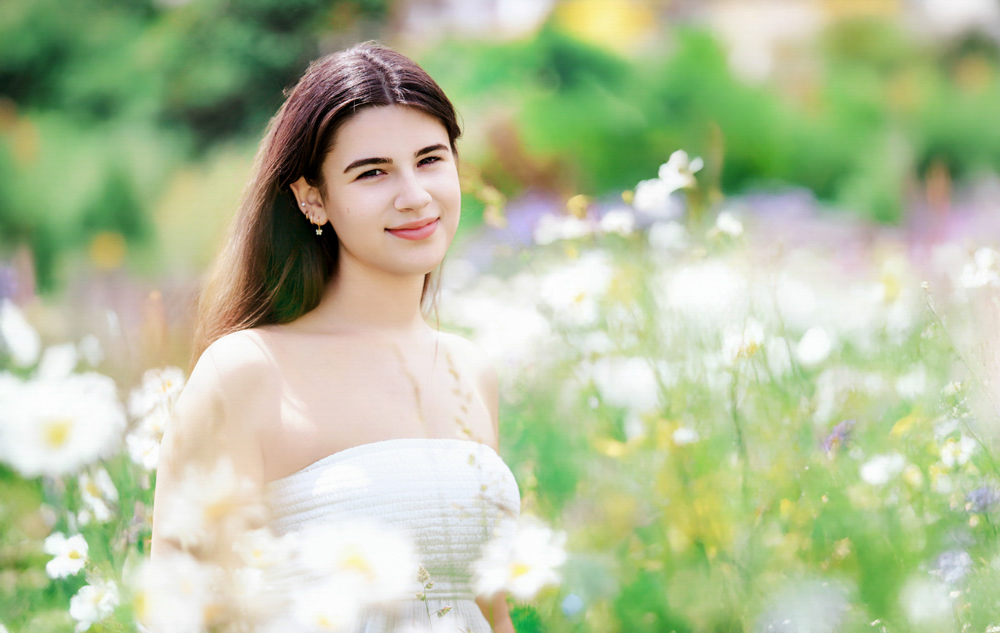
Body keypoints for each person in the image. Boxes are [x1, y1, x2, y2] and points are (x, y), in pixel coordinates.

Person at [149, 41, 521, 633]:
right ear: (312, 197)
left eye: (430, 159)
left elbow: (487, 608)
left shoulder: (468, 369)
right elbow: (181, 613)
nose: (414, 195)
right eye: (372, 172)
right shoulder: (248, 373)